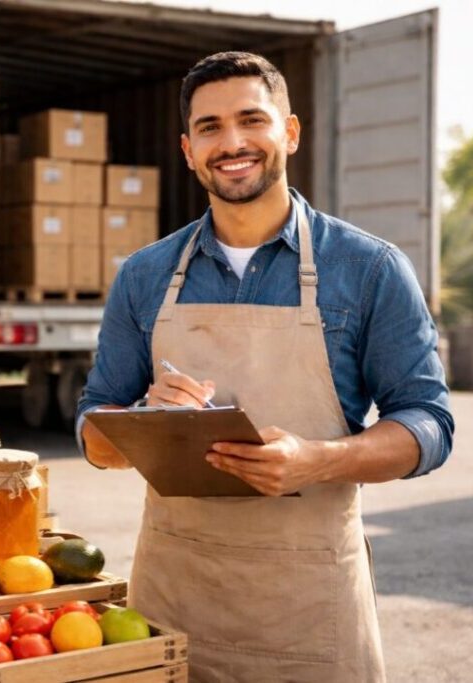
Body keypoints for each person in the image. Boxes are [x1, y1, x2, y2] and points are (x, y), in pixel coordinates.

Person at [77, 52, 454, 682]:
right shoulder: (144, 275)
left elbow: (429, 425)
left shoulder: (369, 269)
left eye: (252, 119)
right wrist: (142, 420)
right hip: (173, 603)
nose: (232, 143)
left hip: (310, 609)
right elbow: (94, 432)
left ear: (290, 132)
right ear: (188, 150)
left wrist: (318, 459)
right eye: (210, 127)